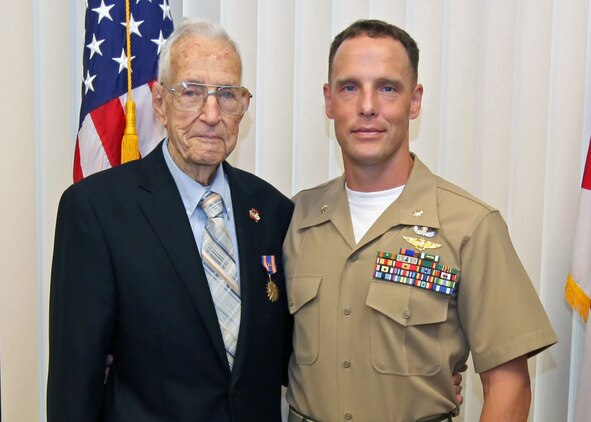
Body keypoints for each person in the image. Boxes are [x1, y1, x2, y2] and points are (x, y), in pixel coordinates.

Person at [283, 19, 558, 422]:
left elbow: (509, 385)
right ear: (329, 101)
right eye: (349, 87)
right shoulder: (294, 220)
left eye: (388, 88)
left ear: (415, 101)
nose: (367, 106)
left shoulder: (470, 226)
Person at [47, 18, 294, 421]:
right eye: (191, 92)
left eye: (227, 95)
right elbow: (75, 382)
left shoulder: (273, 211)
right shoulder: (96, 211)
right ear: (160, 103)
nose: (211, 114)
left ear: (243, 107)